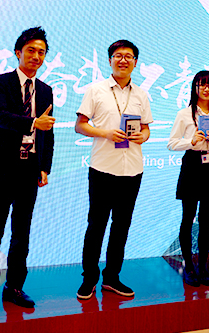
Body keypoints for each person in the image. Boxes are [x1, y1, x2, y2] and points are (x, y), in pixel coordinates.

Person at [0, 27, 55, 313]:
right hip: (1, 168)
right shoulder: (0, 82)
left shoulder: (45, 90)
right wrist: (33, 123)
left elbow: (48, 132)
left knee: (22, 232)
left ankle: (14, 287)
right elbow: (0, 117)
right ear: (18, 52)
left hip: (29, 170)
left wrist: (45, 166)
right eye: (31, 50)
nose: (36, 56)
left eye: (41, 52)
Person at [75, 40, 153, 300]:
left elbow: (146, 128)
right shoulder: (95, 90)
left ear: (135, 62)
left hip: (132, 170)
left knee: (121, 227)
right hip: (103, 168)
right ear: (110, 60)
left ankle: (112, 278)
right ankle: (89, 278)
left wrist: (143, 136)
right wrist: (105, 133)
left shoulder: (141, 94)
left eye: (128, 56)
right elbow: (80, 125)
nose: (123, 60)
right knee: (96, 226)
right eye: (118, 56)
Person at [167, 70, 209, 287]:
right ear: (194, 88)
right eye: (202, 84)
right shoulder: (184, 114)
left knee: (206, 219)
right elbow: (172, 143)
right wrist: (191, 141)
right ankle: (189, 267)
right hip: (192, 165)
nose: (206, 89)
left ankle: (203, 267)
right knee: (188, 218)